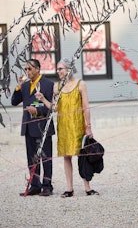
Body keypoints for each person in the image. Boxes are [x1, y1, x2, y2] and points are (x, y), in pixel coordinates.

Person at [41, 58, 98, 198]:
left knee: (82, 156)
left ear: (69, 69)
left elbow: (86, 107)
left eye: (61, 68)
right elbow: (55, 108)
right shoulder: (56, 87)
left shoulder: (80, 84)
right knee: (67, 156)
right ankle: (69, 188)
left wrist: (88, 126)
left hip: (78, 126)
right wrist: (43, 99)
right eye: (58, 69)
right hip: (64, 126)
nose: (58, 71)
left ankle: (87, 187)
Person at [11, 58, 55, 196]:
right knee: (31, 158)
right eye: (26, 69)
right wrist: (18, 87)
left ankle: (47, 186)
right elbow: (14, 102)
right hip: (28, 127)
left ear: (37, 69)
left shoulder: (48, 84)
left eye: (30, 69)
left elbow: (50, 106)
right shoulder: (25, 85)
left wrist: (37, 111)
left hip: (43, 126)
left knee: (46, 158)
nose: (27, 72)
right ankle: (35, 185)